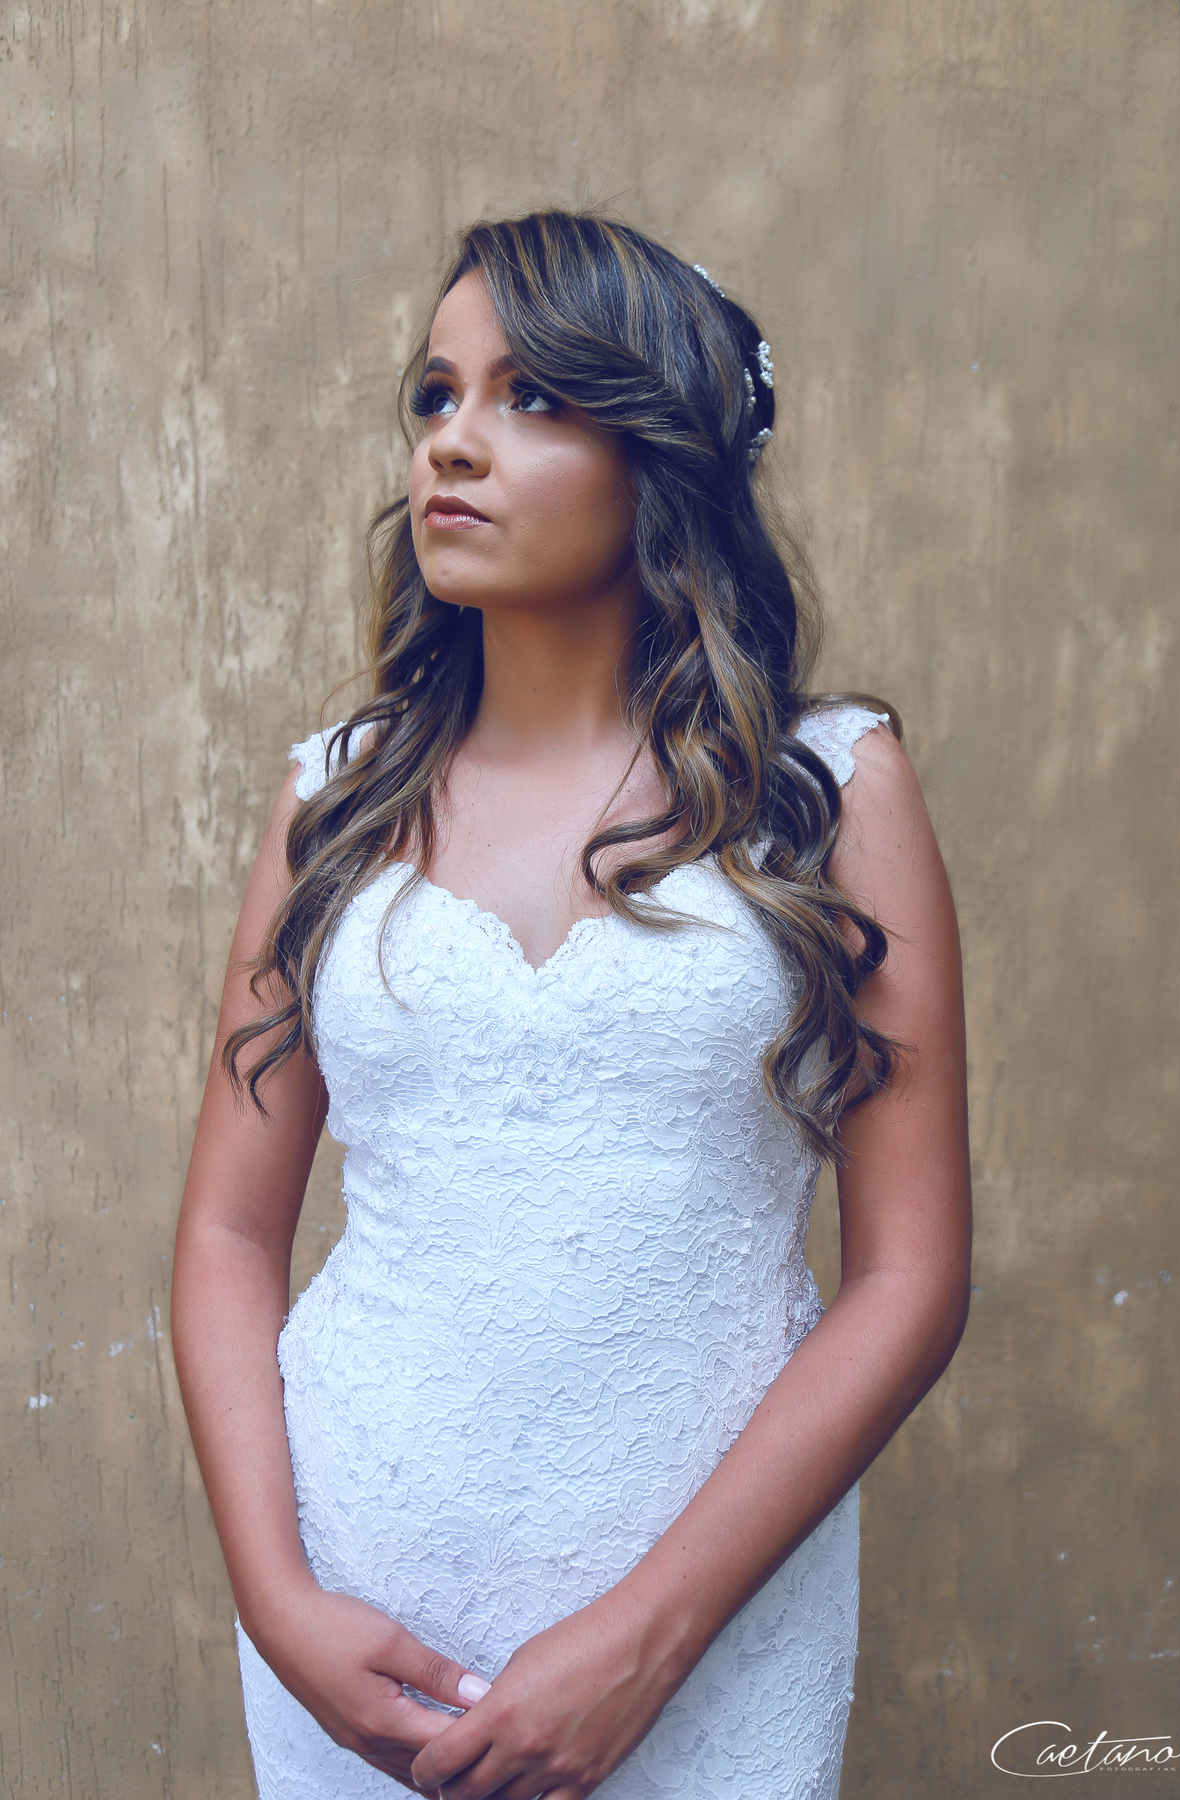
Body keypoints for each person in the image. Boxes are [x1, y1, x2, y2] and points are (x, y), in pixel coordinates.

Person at [171, 208, 971, 1800]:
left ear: (661, 451)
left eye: (533, 397)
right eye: (437, 394)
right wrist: (276, 1599)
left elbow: (910, 1278)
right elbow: (226, 1236)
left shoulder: (828, 790)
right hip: (359, 1601)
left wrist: (649, 1640)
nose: (454, 442)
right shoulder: (334, 802)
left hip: (705, 1626)